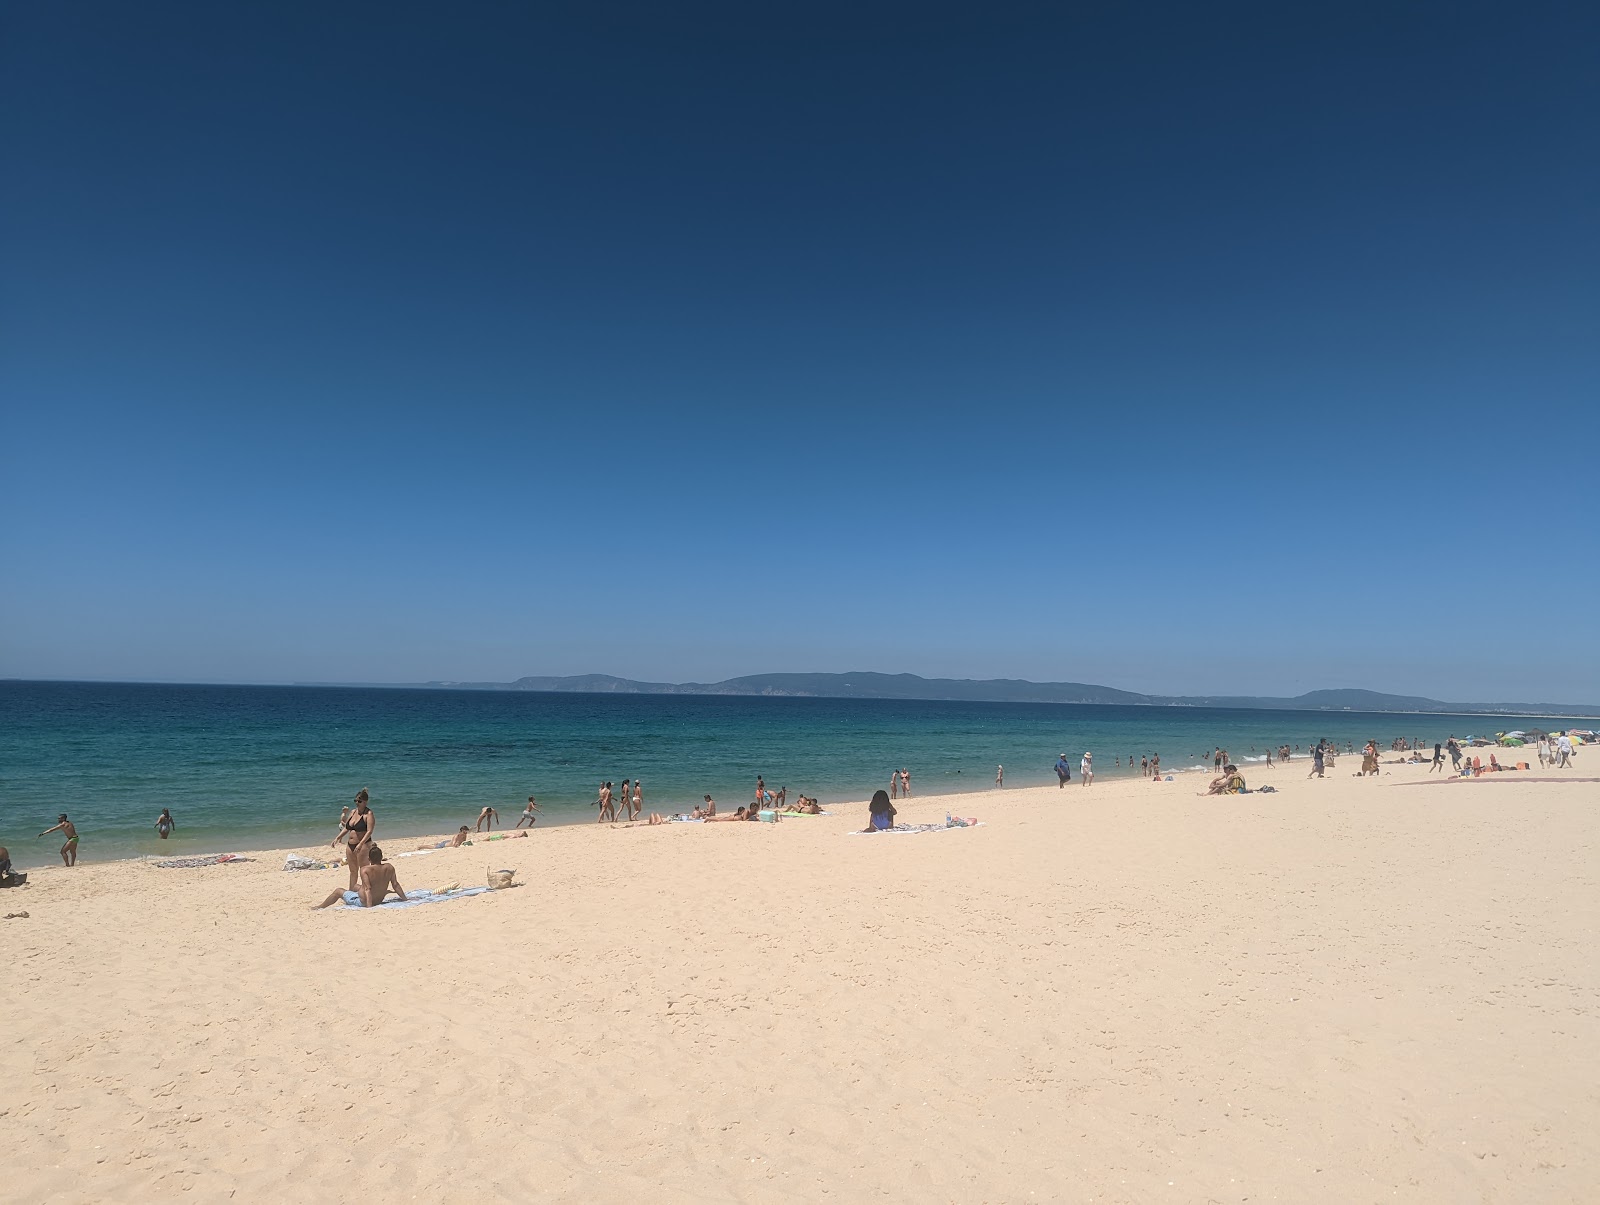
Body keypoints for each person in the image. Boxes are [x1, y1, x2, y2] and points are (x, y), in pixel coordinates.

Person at [314, 844, 406, 909]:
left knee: (338, 891)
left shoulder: (365, 870)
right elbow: (396, 885)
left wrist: (369, 907)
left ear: (369, 859)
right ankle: (350, 896)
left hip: (364, 901)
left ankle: (320, 907)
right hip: (379, 899)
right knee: (355, 886)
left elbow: (368, 889)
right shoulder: (389, 867)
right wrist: (405, 899)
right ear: (381, 857)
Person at [342, 792, 376, 889]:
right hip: (350, 845)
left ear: (365, 802)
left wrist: (360, 844)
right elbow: (347, 827)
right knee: (353, 871)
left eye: (359, 801)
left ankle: (368, 890)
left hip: (363, 845)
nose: (357, 802)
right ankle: (351, 891)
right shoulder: (353, 812)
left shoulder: (368, 814)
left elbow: (369, 831)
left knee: (364, 870)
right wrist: (338, 838)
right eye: (355, 800)